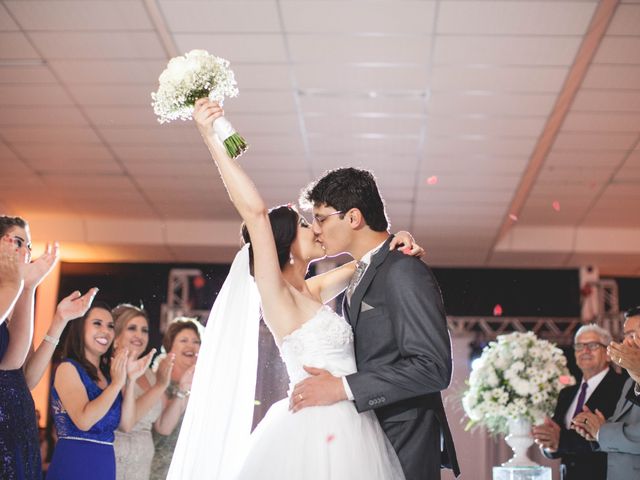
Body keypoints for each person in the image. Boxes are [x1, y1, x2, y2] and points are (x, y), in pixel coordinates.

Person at [168, 100, 427, 479]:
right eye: (307, 225)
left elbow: (370, 259)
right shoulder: (276, 296)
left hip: (352, 418)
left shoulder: (313, 289)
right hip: (313, 426)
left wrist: (397, 238)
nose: (317, 229)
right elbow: (255, 213)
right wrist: (211, 138)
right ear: (286, 243)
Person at [292, 172, 460, 479]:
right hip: (365, 439)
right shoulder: (369, 268)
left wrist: (342, 387)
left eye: (321, 218)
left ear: (353, 217)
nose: (316, 229)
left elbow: (432, 367)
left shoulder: (403, 270)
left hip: (402, 440)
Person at [46, 304, 153, 480]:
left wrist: (131, 379)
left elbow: (126, 425)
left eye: (110, 326)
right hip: (75, 463)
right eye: (97, 323)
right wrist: (116, 384)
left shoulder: (111, 375)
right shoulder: (68, 368)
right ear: (81, 328)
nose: (106, 331)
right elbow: (84, 421)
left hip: (105, 464)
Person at [0, 215, 58, 480]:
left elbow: (13, 363)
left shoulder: (12, 293)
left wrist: (29, 288)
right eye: (19, 243)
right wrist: (16, 284)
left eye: (30, 247)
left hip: (15, 419)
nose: (27, 253)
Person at [532, 324, 626, 480]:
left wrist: (560, 441)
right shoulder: (566, 393)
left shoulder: (621, 387)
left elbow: (612, 438)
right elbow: (557, 439)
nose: (585, 351)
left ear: (608, 354)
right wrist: (548, 444)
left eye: (593, 345)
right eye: (579, 346)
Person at [111, 304, 184, 480]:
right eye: (132, 328)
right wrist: (160, 386)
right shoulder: (112, 369)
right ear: (116, 336)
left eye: (144, 330)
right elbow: (127, 423)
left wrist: (183, 388)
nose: (140, 335)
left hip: (143, 463)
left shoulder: (151, 375)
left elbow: (162, 427)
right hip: (118, 459)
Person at [572, 307, 640, 479]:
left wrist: (602, 432)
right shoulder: (628, 381)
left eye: (633, 336)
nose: (626, 343)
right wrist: (595, 430)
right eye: (626, 335)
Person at [149, 318, 199, 480]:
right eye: (183, 340)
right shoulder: (158, 380)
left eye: (196, 341)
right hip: (161, 468)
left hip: (191, 468)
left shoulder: (200, 384)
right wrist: (182, 389)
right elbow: (164, 428)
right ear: (170, 347)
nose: (191, 346)